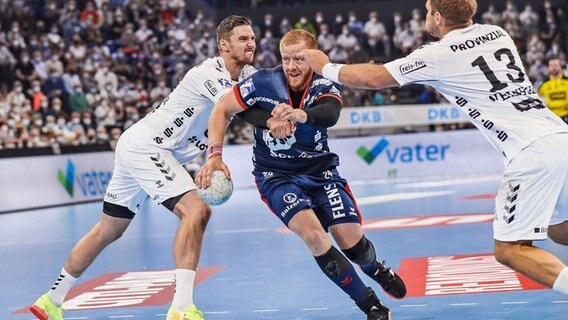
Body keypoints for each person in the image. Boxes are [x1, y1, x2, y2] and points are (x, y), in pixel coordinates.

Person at [299, 0, 568, 298]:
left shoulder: (438, 54)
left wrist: (324, 66)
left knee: (510, 249)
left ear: (438, 18)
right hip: (559, 134)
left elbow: (374, 77)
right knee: (559, 229)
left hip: (532, 152)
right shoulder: (498, 33)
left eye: (428, 12)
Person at [30, 15, 272, 320]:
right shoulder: (207, 73)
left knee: (108, 230)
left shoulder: (247, 74)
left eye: (252, 38)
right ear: (224, 45)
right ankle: (182, 308)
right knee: (197, 211)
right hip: (149, 147)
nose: (251, 43)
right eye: (243, 39)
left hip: (139, 145)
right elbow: (235, 108)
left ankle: (51, 300)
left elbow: (257, 104)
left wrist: (280, 114)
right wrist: (218, 152)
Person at [196, 29, 406, 320]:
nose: (292, 66)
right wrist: (215, 156)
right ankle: (370, 304)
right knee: (315, 237)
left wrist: (301, 115)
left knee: (354, 246)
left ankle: (374, 269)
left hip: (321, 173)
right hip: (275, 176)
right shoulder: (262, 81)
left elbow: (330, 113)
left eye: (300, 59)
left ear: (315, 58)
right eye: (286, 59)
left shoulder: (325, 81)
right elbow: (222, 109)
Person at [537, 57, 568, 124]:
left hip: (566, 116)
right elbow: (535, 98)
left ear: (560, 67)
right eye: (551, 65)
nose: (554, 68)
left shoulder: (567, 81)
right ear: (548, 67)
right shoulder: (542, 84)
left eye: (556, 65)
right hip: (551, 118)